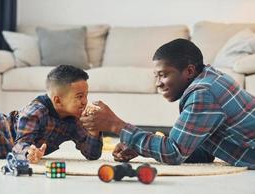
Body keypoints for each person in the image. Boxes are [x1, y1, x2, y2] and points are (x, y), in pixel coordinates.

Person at [80, 39, 255, 168]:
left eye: (163, 75)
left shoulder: (203, 93)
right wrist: (143, 148)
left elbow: (174, 152)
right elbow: (203, 151)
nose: (158, 83)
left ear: (189, 71)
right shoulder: (211, 79)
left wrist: (115, 125)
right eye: (156, 76)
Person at [0, 65, 103, 163]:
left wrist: (94, 131)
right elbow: (20, 145)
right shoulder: (36, 111)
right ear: (58, 101)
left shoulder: (74, 121)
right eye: (79, 96)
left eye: (86, 95)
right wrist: (28, 153)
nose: (85, 101)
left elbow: (92, 155)